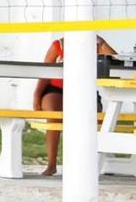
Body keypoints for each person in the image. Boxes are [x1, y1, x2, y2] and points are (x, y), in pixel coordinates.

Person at [32, 35, 115, 176]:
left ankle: (84, 163)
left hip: (84, 90)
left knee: (92, 116)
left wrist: (102, 43)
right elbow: (45, 72)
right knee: (53, 112)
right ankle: (51, 164)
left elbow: (114, 62)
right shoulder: (59, 45)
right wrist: (37, 95)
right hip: (57, 89)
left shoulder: (95, 45)